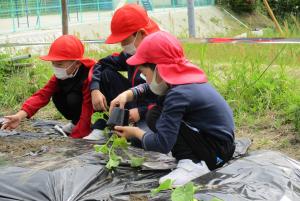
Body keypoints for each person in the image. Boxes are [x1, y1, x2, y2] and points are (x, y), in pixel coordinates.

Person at [110, 31, 236, 187]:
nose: (145, 79)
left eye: (144, 73)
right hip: (219, 144)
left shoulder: (178, 95)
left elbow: (162, 144)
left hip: (216, 153)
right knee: (155, 114)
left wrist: (135, 133)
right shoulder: (183, 81)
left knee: (157, 116)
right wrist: (129, 94)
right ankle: (191, 157)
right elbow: (153, 86)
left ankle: (193, 165)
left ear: (159, 70)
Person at [83, 3, 160, 140]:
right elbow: (101, 63)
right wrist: (95, 89)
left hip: (155, 111)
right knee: (106, 74)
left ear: (140, 34)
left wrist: (142, 112)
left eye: (125, 40)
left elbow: (171, 96)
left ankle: (132, 127)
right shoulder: (131, 53)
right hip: (135, 103)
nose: (123, 46)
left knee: (141, 140)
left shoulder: (162, 54)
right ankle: (107, 125)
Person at [1, 35, 96, 138]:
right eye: (53, 64)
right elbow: (42, 95)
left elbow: (87, 109)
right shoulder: (60, 77)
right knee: (57, 95)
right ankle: (76, 123)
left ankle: (95, 127)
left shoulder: (89, 75)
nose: (56, 68)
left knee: (73, 98)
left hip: (95, 111)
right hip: (81, 111)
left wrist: (75, 137)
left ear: (77, 63)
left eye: (59, 64)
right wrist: (19, 116)